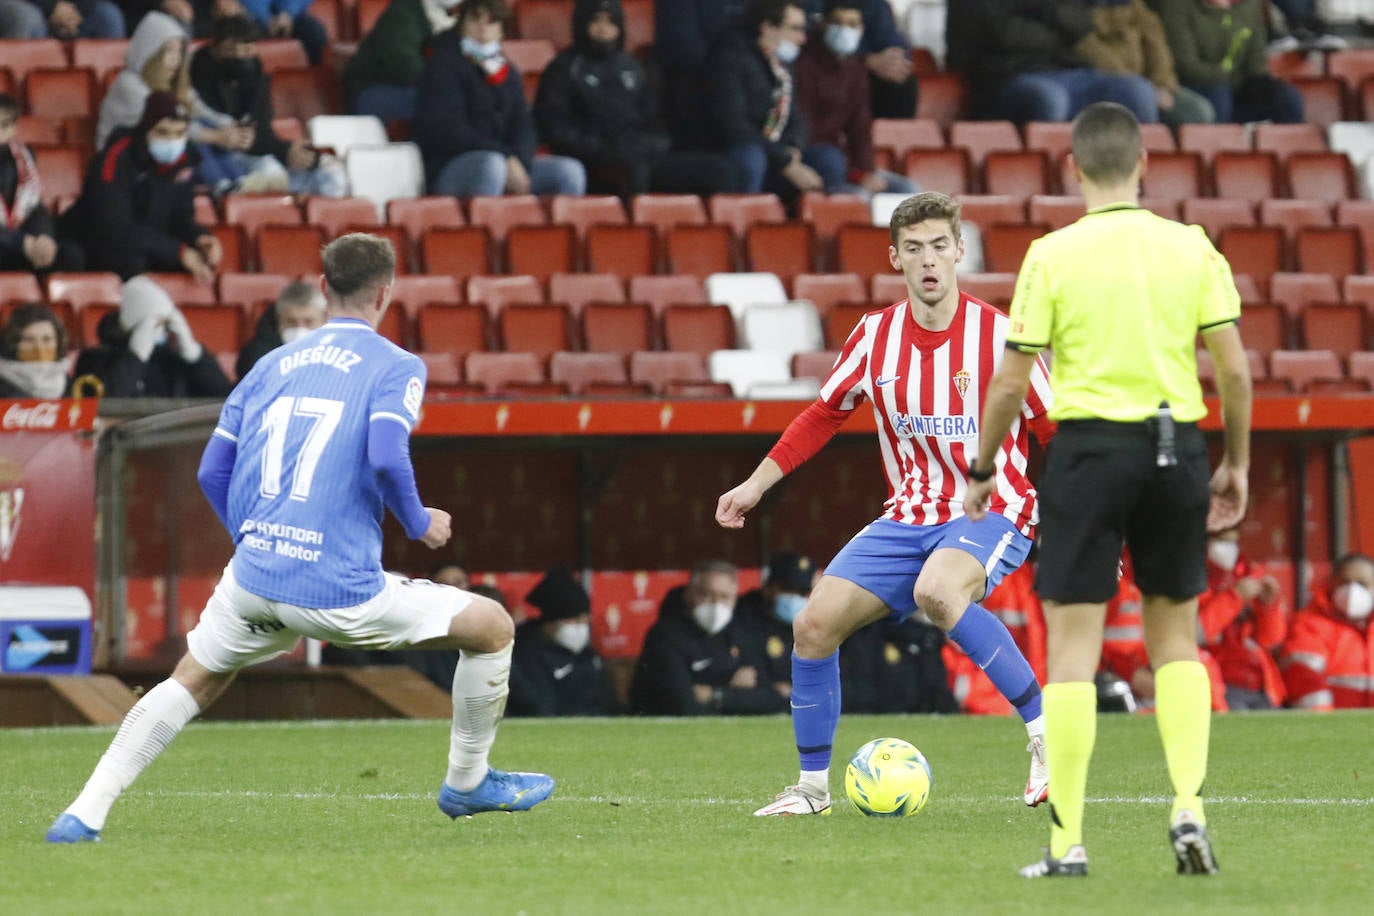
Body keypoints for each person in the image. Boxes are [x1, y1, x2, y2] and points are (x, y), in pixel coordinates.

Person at [46, 233, 555, 844]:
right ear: (386, 294)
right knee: (493, 627)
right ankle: (468, 782)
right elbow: (388, 455)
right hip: (338, 588)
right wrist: (419, 521)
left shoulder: (269, 365)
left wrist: (256, 537)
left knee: (191, 680)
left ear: (323, 289)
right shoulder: (396, 366)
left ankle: (83, 813)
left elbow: (211, 470)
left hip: (255, 574)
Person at [964, 101, 1252, 878]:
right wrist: (1237, 465)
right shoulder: (1190, 246)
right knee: (1175, 642)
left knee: (1072, 650)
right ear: (1145, 165)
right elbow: (1232, 367)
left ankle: (1066, 845)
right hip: (1174, 447)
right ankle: (1188, 804)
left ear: (1073, 168)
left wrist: (983, 465)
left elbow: (1011, 378)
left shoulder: (1052, 254)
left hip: (1088, 450)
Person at [716, 190, 1056, 818]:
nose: (928, 260)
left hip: (992, 507)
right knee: (813, 625)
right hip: (909, 513)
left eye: (938, 246)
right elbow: (824, 414)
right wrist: (755, 484)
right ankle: (812, 789)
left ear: (959, 251)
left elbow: (1052, 427)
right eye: (913, 249)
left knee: (939, 592)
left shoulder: (1001, 335)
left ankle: (1045, 737)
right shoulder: (875, 336)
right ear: (895, 258)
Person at [534, 0, 737, 198]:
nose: (604, 29)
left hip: (641, 155)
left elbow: (657, 122)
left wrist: (647, 145)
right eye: (596, 21)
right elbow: (556, 128)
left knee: (720, 171)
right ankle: (631, 230)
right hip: (596, 162)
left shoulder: (633, 67)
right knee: (633, 169)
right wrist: (603, 148)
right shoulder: (563, 68)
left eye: (611, 22)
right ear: (582, 23)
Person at [413, 0, 586, 198]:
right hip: (451, 165)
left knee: (568, 171)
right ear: (461, 25)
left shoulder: (507, 71)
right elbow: (448, 131)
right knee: (492, 166)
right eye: (476, 20)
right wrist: (505, 157)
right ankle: (485, 227)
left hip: (504, 161)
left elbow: (524, 125)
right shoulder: (441, 66)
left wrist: (518, 159)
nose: (483, 28)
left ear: (502, 30)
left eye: (492, 22)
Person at [63, 92, 223, 283]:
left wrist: (199, 238)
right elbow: (116, 227)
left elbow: (180, 215)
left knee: (199, 262)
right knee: (132, 261)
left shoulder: (184, 160)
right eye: (163, 132)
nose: (172, 140)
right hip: (94, 243)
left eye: (180, 133)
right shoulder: (116, 158)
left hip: (148, 243)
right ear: (146, 129)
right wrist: (178, 252)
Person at [94, 10, 251, 194]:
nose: (175, 58)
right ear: (150, 51)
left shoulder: (174, 83)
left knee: (203, 124)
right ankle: (221, 184)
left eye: (179, 51)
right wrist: (216, 136)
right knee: (189, 134)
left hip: (165, 158)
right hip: (129, 162)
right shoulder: (129, 84)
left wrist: (229, 126)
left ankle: (237, 181)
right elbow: (166, 124)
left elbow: (200, 109)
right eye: (169, 50)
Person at [189, 15, 345, 197]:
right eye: (231, 50)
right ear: (214, 49)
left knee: (330, 172)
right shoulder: (196, 75)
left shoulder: (256, 76)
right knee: (270, 173)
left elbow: (261, 132)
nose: (240, 56)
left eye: (247, 49)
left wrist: (287, 151)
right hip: (213, 157)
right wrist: (225, 136)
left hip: (253, 154)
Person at [945, 0, 1158, 124]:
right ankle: (1056, 187)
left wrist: (1047, 14)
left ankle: (1132, 188)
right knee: (1050, 98)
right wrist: (1055, 20)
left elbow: (1083, 22)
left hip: (1070, 70)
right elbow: (1005, 34)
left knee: (1138, 91)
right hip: (1009, 78)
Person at [698, 0, 826, 202]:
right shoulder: (729, 60)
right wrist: (783, 160)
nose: (802, 39)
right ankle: (743, 224)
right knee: (751, 158)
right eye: (794, 29)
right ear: (767, 27)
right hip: (733, 149)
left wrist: (793, 148)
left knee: (828, 160)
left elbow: (796, 118)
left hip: (775, 151)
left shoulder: (782, 66)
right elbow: (735, 127)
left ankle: (815, 229)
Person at [793, 0, 919, 198]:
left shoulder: (856, 69)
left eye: (853, 25)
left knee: (907, 190)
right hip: (813, 158)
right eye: (838, 23)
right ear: (823, 24)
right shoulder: (802, 65)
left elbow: (860, 130)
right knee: (851, 185)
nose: (845, 30)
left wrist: (866, 171)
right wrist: (857, 174)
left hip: (841, 161)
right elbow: (805, 131)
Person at [630, 560, 790, 716]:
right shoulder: (665, 636)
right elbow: (684, 704)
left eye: (724, 597)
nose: (716, 604)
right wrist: (736, 692)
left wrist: (716, 694)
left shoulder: (741, 633)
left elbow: (775, 699)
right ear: (689, 594)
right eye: (707, 594)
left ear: (735, 599)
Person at [73, 276, 233, 398]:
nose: (160, 332)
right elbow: (104, 402)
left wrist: (195, 356)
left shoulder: (176, 360)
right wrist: (135, 358)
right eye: (154, 324)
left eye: (165, 324)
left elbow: (225, 398)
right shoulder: (95, 359)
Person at [1153, 0, 1305, 124]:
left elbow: (1256, 64)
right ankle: (1214, 154)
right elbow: (1186, 66)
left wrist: (1263, 81)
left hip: (1236, 86)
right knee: (1219, 94)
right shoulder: (1175, 5)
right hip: (1193, 85)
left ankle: (1287, 155)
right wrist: (1230, 77)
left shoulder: (1249, 6)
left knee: (1286, 97)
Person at [1076, 0, 1215, 127]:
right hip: (1106, 81)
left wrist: (1161, 83)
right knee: (1140, 96)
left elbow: (1157, 45)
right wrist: (1139, 86)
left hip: (1150, 83)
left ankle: (1168, 151)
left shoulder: (1135, 5)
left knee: (1199, 111)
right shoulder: (1079, 7)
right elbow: (1088, 48)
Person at [508, 565, 618, 716]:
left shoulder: (589, 655)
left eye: (584, 620)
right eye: (573, 620)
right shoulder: (526, 656)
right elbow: (539, 707)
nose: (580, 628)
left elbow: (609, 702)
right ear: (549, 624)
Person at [1197, 528, 1287, 710]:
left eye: (1233, 541)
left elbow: (1271, 640)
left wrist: (1268, 607)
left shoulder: (1250, 575)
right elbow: (1196, 633)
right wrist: (1234, 597)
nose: (1228, 548)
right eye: (1220, 540)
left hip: (1262, 686)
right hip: (1218, 684)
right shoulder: (1193, 580)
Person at [0, 94, 85, 275]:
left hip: (19, 244)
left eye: (4, 125)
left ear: (14, 127)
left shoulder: (22, 158)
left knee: (70, 256)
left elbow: (34, 207)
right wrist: (23, 243)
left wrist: (43, 237)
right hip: (12, 242)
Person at [1280, 553, 1374, 710]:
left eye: (1363, 583)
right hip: (1333, 723)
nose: (1353, 589)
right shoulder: (1310, 624)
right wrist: (1324, 720)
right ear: (1332, 583)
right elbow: (1302, 675)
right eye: (1345, 582)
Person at [343, 0, 459, 124]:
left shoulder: (448, 18)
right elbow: (405, 66)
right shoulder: (402, 12)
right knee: (447, 103)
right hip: (375, 91)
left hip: (416, 88)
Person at [799, 0, 918, 119]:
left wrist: (892, 62)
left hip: (863, 77)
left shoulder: (876, 5)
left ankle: (893, 134)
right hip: (818, 70)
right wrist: (865, 61)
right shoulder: (804, 3)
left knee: (900, 81)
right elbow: (798, 45)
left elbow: (897, 53)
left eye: (853, 24)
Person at [731, 552, 818, 698]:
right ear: (768, 586)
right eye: (787, 588)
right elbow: (747, 673)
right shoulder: (742, 615)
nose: (793, 597)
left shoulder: (810, 623)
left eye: (801, 592)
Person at [234, 278, 327, 380]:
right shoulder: (258, 357)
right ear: (279, 321)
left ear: (323, 320)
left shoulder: (337, 351)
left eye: (308, 321)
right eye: (291, 322)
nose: (300, 328)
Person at [0, 303, 70, 399]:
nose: (39, 348)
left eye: (47, 339)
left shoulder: (73, 385)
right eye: (29, 340)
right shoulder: (2, 384)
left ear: (58, 343)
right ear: (13, 344)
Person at [236, 0, 328, 65]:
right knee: (240, 34)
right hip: (252, 18)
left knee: (315, 33)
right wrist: (266, 20)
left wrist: (287, 14)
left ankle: (315, 86)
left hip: (291, 18)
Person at [0, 0, 125, 38]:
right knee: (27, 17)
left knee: (107, 16)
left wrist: (70, 15)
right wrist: (51, 8)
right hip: (20, 5)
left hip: (63, 10)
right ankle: (12, 97)